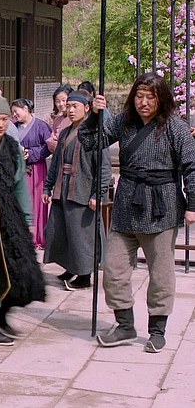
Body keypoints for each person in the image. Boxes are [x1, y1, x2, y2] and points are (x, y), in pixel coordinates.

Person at [82, 73, 195, 352]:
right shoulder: (124, 122)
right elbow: (90, 142)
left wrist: (193, 204)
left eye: (150, 97)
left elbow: (192, 166)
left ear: (161, 99)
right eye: (139, 96)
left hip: (162, 206)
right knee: (113, 270)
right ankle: (125, 325)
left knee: (161, 274)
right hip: (126, 204)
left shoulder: (176, 127)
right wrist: (94, 116)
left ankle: (157, 329)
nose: (143, 103)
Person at [0, 96, 46, 344]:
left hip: (8, 214)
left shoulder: (11, 147)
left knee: (16, 268)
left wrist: (27, 218)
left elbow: (19, 185)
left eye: (5, 119)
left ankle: (2, 315)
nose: (0, 124)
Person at [43, 90, 111, 291]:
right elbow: (56, 162)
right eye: (68, 106)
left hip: (83, 189)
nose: (71, 110)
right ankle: (70, 267)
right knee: (63, 231)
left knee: (82, 236)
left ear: (87, 108)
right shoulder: (65, 132)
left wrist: (98, 194)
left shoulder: (95, 133)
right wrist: (47, 187)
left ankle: (84, 275)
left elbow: (104, 168)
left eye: (75, 106)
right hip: (63, 188)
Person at [11, 98, 52, 249]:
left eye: (16, 111)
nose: (14, 115)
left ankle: (37, 237)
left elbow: (48, 147)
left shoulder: (41, 126)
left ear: (26, 109)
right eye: (13, 112)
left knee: (36, 201)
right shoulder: (13, 126)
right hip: (19, 168)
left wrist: (32, 153)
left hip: (36, 169)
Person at [46, 85, 73, 153]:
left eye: (64, 100)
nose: (61, 104)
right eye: (57, 101)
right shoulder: (57, 120)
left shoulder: (74, 119)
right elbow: (51, 140)